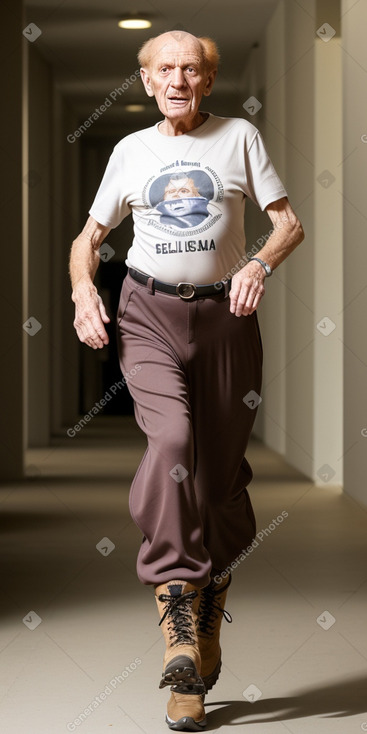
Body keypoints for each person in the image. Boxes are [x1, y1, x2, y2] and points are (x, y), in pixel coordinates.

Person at [69, 30, 304, 732]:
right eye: (164, 68)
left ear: (208, 80)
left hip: (226, 318)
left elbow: (287, 223)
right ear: (145, 82)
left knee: (221, 478)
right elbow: (88, 239)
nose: (178, 78)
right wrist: (85, 289)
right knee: (171, 441)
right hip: (147, 312)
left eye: (191, 69)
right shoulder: (130, 152)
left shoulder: (238, 137)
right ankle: (177, 612)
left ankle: (212, 584)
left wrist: (259, 263)